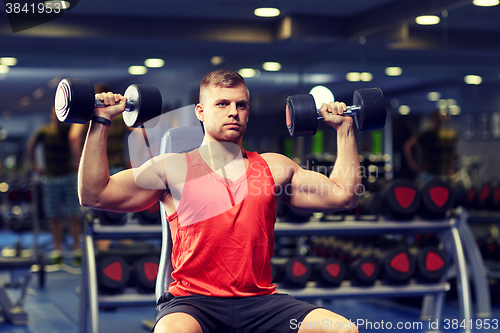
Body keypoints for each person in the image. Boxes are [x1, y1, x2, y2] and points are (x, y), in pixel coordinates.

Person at [77, 69, 360, 333]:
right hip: (194, 303)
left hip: (260, 303)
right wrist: (100, 121)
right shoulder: (172, 169)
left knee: (344, 330)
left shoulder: (273, 168)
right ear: (201, 112)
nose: (233, 113)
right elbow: (94, 194)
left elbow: (343, 195)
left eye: (241, 105)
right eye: (222, 104)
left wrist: (344, 129)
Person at [27, 107, 82, 265]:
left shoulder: (69, 132)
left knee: (74, 215)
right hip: (50, 179)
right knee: (54, 217)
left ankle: (77, 250)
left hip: (69, 176)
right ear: (52, 115)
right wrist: (35, 166)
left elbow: (77, 144)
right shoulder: (43, 131)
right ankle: (58, 250)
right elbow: (31, 147)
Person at [404, 111, 457, 182]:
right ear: (432, 120)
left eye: (439, 120)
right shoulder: (426, 134)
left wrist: (451, 167)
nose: (438, 122)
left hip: (443, 173)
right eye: (436, 120)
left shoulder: (447, 136)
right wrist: (412, 164)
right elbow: (408, 146)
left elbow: (451, 153)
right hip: (427, 173)